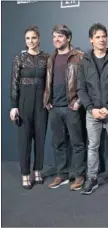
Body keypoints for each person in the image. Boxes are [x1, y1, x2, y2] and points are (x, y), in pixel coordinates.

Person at [77, 23, 108, 195]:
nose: (102, 39)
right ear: (91, 40)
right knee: (92, 147)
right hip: (92, 113)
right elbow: (81, 88)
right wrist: (91, 108)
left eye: (104, 36)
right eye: (97, 37)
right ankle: (91, 179)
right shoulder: (84, 61)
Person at [43, 24, 86, 191]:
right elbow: (47, 81)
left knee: (77, 143)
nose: (56, 39)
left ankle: (79, 175)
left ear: (68, 38)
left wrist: (79, 101)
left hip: (71, 106)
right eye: (54, 37)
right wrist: (46, 99)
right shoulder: (50, 58)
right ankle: (62, 174)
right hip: (54, 107)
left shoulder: (79, 57)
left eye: (60, 36)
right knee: (58, 143)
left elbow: (86, 82)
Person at [9, 25, 49, 189]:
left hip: (41, 104)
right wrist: (13, 106)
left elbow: (50, 81)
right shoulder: (19, 58)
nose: (31, 41)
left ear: (39, 38)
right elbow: (14, 83)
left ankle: (37, 170)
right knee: (24, 140)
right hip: (24, 103)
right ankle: (25, 173)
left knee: (40, 139)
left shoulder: (46, 57)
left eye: (33, 37)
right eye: (28, 38)